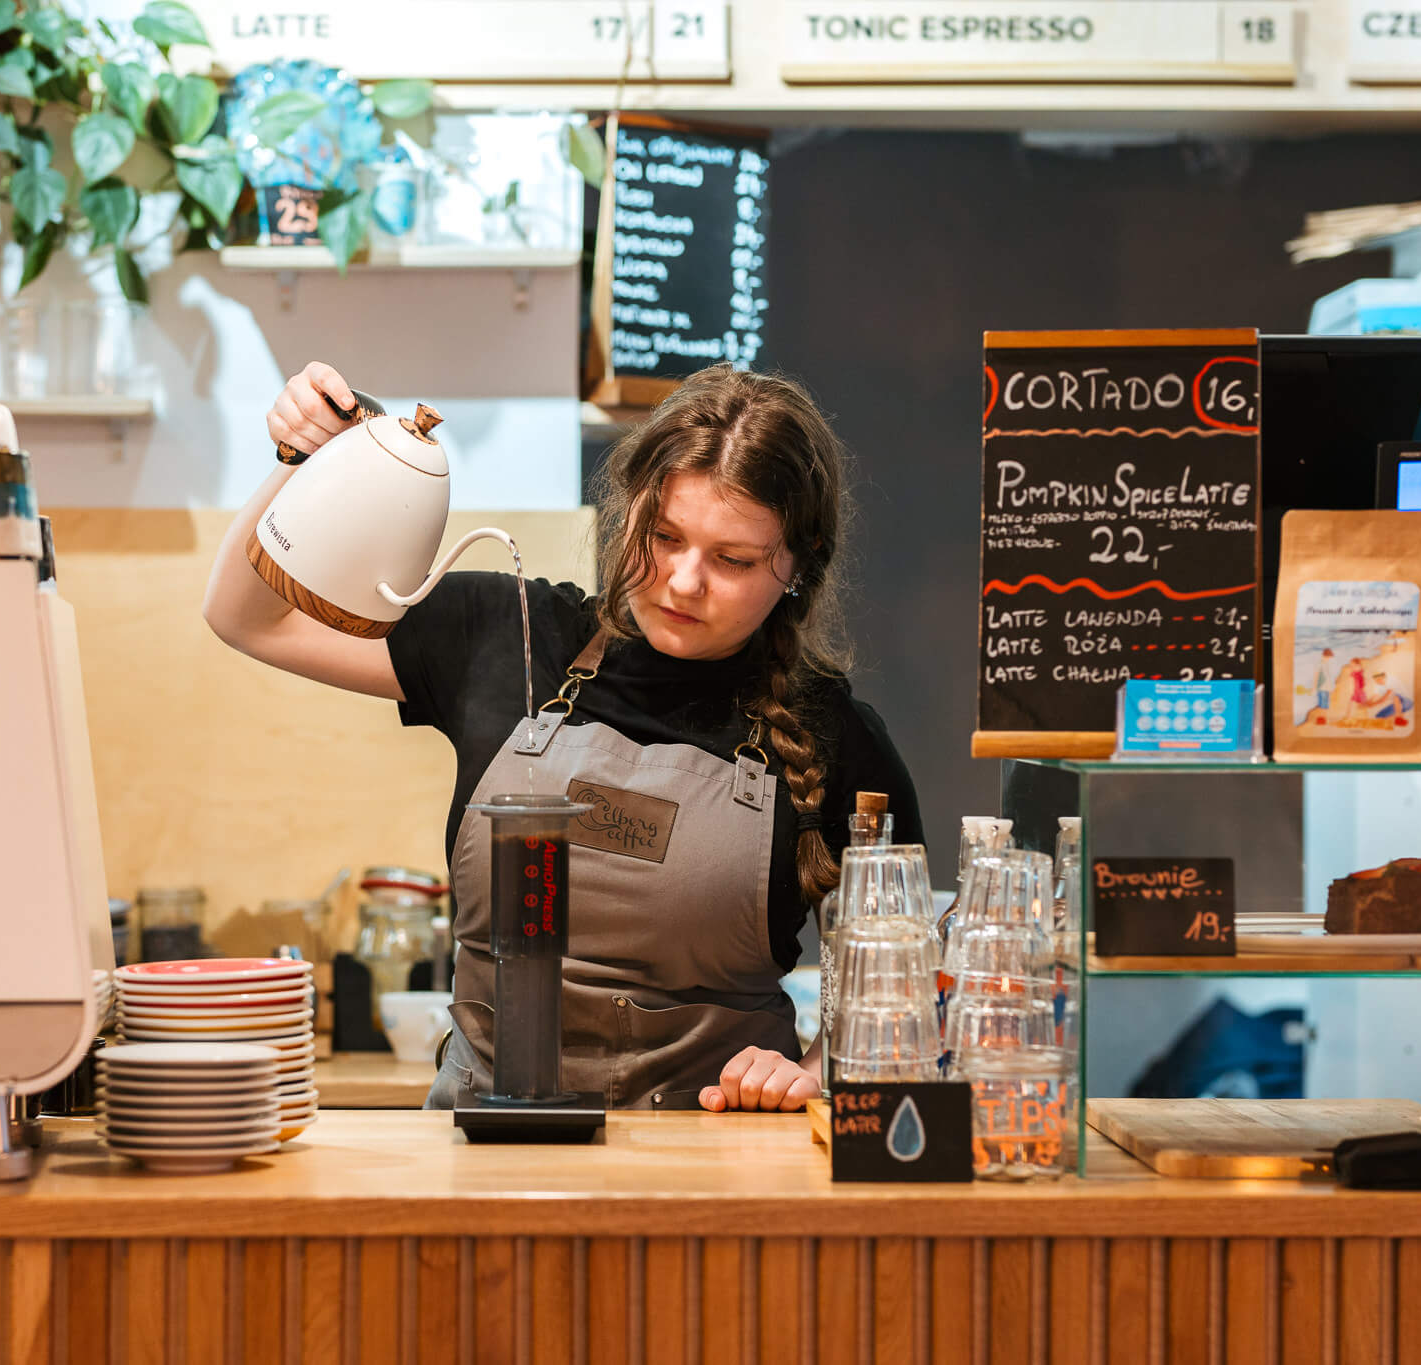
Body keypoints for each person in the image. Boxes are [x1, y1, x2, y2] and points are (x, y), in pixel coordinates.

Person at [203, 361, 921, 1112]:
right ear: (628, 507)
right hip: (483, 1170)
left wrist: (813, 1068)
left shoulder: (832, 738)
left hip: (712, 1177)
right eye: (664, 535)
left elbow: (896, 984)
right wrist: (304, 464)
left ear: (796, 569)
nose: (682, 580)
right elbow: (246, 616)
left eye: (732, 560)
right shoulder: (509, 635)